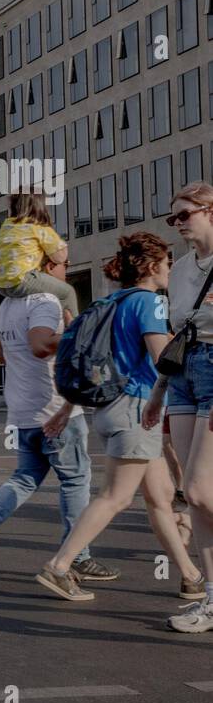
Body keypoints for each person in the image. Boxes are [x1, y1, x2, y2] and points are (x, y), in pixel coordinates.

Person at [37, 232, 203, 602]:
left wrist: (68, 407)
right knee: (115, 497)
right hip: (137, 408)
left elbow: (99, 362)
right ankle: (60, 566)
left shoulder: (112, 301)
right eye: (167, 262)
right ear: (151, 266)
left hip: (111, 408)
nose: (170, 268)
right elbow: (163, 359)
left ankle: (191, 577)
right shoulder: (150, 302)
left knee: (161, 498)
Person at [0, 251, 114, 581]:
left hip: (22, 407)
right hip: (54, 406)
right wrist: (78, 332)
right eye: (64, 264)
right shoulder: (46, 301)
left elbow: (0, 356)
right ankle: (77, 555)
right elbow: (40, 346)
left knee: (25, 477)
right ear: (48, 267)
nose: (66, 272)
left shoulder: (7, 305)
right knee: (75, 480)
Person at [149, 182, 213, 631]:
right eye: (173, 218)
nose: (177, 224)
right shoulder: (181, 270)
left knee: (198, 490)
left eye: (184, 215)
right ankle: (212, 598)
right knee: (198, 502)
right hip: (183, 374)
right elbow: (176, 335)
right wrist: (157, 395)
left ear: (210, 211)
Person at [0, 190, 77, 320]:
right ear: (40, 206)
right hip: (21, 279)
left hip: (0, 283)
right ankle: (74, 330)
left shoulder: (7, 226)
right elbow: (60, 257)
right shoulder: (38, 227)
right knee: (67, 292)